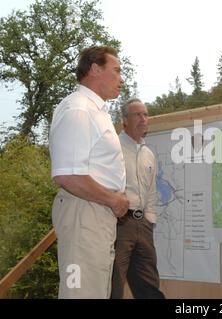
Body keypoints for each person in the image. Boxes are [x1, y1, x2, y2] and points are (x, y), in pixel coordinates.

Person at [49, 46, 129, 298]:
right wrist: (114, 199)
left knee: (92, 291)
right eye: (116, 70)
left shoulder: (96, 112)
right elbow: (68, 175)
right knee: (81, 293)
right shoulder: (79, 110)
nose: (121, 78)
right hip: (85, 212)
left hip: (94, 214)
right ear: (95, 69)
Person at [111, 98, 164, 299]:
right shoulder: (112, 147)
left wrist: (149, 220)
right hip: (119, 223)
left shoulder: (148, 154)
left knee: (149, 285)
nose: (143, 119)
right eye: (137, 115)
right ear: (124, 120)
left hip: (144, 225)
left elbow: (150, 191)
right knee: (114, 284)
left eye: (145, 114)